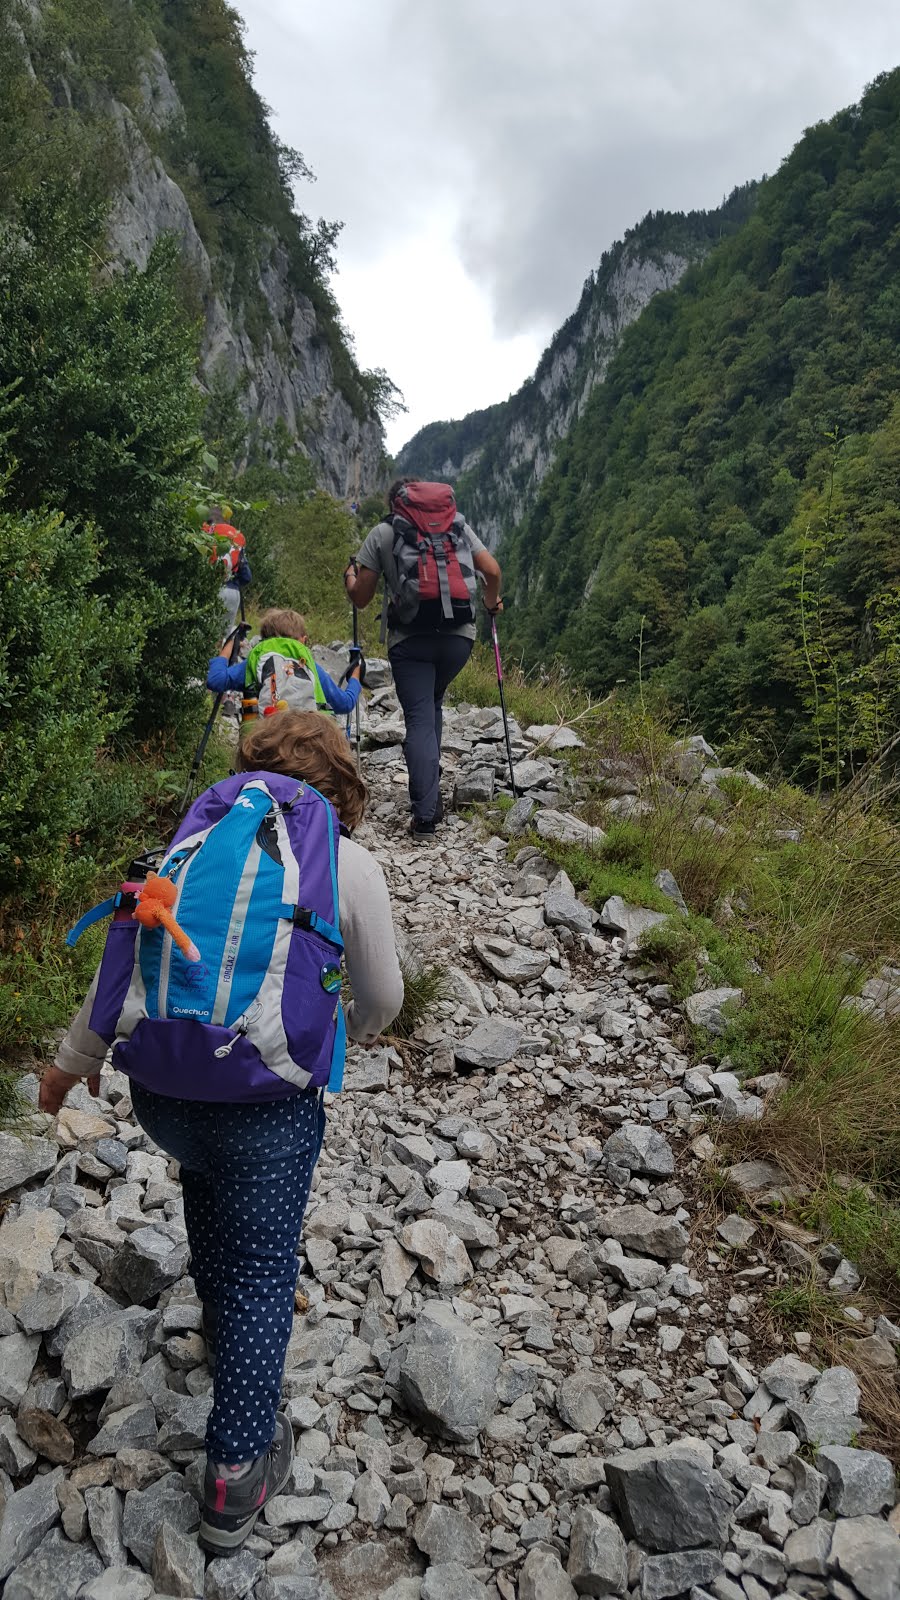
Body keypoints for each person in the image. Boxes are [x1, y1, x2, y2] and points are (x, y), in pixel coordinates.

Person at [39, 712, 404, 1553]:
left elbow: (120, 962)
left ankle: (212, 1318)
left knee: (204, 1180)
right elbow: (381, 998)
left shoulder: (192, 844)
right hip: (265, 1109)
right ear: (341, 784)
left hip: (163, 1095)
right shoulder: (345, 860)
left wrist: (65, 1067)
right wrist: (335, 1026)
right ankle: (237, 1470)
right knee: (267, 1272)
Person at [344, 478, 502, 837]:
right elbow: (491, 571)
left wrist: (350, 577)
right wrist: (492, 603)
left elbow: (361, 597)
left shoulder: (384, 533)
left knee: (418, 718)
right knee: (432, 703)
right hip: (457, 640)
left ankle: (426, 816)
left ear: (395, 502)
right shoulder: (456, 525)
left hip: (410, 641)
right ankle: (432, 793)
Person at [208, 607, 363, 720]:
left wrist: (227, 649)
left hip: (264, 736)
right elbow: (345, 704)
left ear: (265, 637)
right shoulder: (308, 665)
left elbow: (215, 680)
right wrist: (355, 677)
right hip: (309, 737)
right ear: (302, 639)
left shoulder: (257, 659)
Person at [205, 511, 252, 632]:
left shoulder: (204, 534)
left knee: (205, 633)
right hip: (231, 591)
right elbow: (246, 576)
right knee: (224, 635)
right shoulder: (236, 538)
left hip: (207, 590)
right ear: (227, 521)